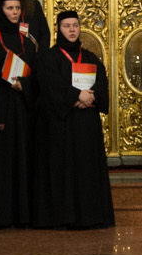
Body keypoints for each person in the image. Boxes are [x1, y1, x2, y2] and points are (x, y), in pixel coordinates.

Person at [33, 12, 113, 228]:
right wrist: (75, 96)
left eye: (75, 26)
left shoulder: (89, 57)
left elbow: (102, 83)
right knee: (64, 171)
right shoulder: (48, 57)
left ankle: (90, 216)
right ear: (59, 29)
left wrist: (90, 96)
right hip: (61, 126)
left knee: (86, 170)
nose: (71, 30)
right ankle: (64, 217)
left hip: (86, 124)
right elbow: (49, 86)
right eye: (67, 26)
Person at [0, 0, 38, 226]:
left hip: (24, 105)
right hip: (1, 106)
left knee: (25, 158)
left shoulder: (27, 42)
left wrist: (23, 85)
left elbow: (37, 75)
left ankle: (24, 214)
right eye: (10, 8)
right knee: (4, 161)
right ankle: (3, 215)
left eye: (17, 9)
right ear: (1, 10)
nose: (15, 13)